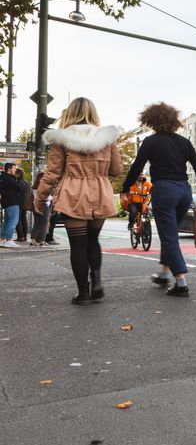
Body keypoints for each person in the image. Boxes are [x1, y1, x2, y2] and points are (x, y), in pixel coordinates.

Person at [34, 97, 123, 304]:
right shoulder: (108, 138)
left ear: (70, 113)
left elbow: (52, 173)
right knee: (93, 241)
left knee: (78, 245)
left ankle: (83, 293)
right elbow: (117, 170)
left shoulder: (61, 139)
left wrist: (40, 197)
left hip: (72, 194)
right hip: (100, 193)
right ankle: (97, 280)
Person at [121, 102, 196, 298]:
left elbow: (137, 167)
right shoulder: (184, 142)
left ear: (151, 120)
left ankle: (181, 282)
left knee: (169, 237)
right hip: (184, 191)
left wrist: (125, 188)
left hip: (164, 190)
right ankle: (163, 274)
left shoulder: (150, 142)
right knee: (171, 234)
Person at [0, 162, 24, 248]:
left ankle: (2, 240)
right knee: (13, 221)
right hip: (12, 202)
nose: (15, 170)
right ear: (9, 169)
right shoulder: (10, 178)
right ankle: (9, 240)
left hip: (6, 202)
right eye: (14, 168)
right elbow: (19, 188)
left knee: (6, 222)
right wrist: (16, 180)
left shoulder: (2, 177)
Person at [29, 172, 52, 247]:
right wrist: (52, 197)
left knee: (36, 223)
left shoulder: (34, 188)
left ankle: (33, 240)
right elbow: (47, 198)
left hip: (35, 206)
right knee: (44, 224)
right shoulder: (43, 188)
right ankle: (42, 241)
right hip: (44, 206)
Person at [15, 168, 32, 243]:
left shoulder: (18, 183)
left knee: (18, 220)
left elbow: (17, 194)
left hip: (18, 203)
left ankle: (20, 236)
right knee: (24, 219)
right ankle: (24, 236)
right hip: (26, 203)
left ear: (18, 174)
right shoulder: (27, 183)